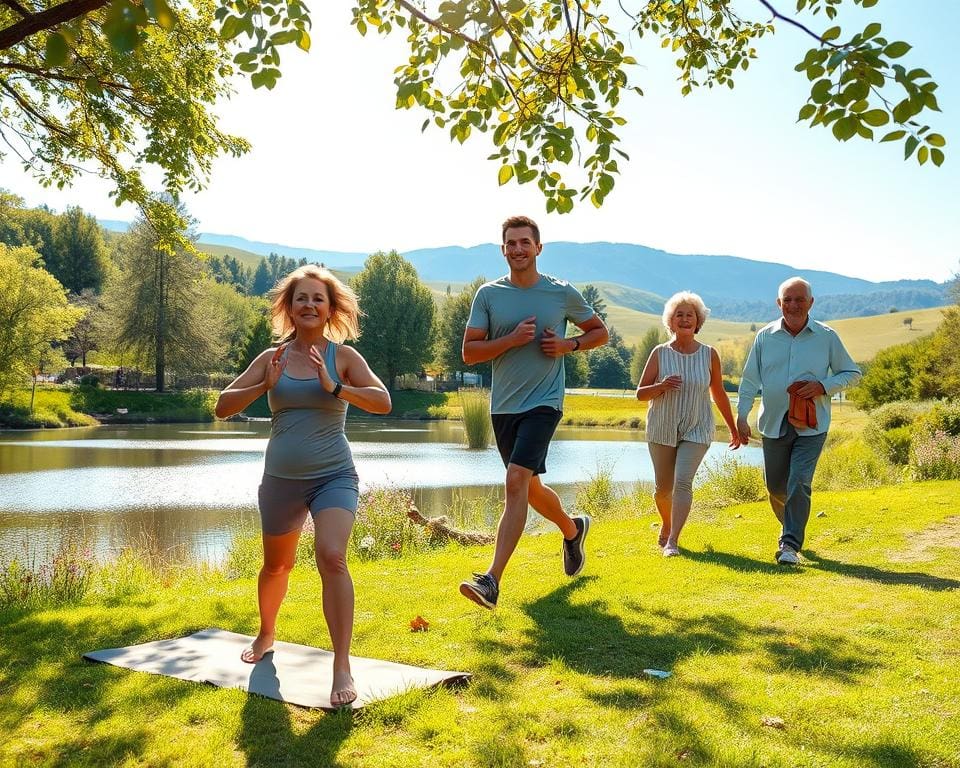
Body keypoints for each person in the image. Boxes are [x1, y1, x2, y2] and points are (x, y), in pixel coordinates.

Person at [215, 265, 391, 707]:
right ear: (289, 309)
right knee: (277, 567)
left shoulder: (344, 358)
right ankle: (267, 632)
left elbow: (383, 402)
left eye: (318, 298)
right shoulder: (270, 358)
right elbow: (221, 407)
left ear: (331, 309)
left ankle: (342, 665)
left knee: (332, 556)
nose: (309, 305)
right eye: (301, 299)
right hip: (280, 481)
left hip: (333, 475)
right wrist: (263, 385)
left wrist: (335, 388)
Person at [458, 215, 609, 609]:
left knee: (515, 480)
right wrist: (509, 340)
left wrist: (568, 346)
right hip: (504, 406)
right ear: (503, 248)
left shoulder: (559, 293)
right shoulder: (489, 295)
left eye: (525, 242)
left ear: (538, 248)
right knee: (529, 487)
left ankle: (491, 581)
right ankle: (572, 529)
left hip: (544, 402)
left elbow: (599, 332)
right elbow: (470, 352)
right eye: (511, 243)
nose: (518, 249)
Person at [737, 277, 861, 565]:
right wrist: (742, 415)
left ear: (811, 302)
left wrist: (822, 386)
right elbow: (749, 380)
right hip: (773, 422)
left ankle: (790, 543)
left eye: (799, 299)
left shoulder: (827, 336)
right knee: (775, 487)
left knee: (800, 482)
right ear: (779, 303)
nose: (793, 305)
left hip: (813, 425)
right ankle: (789, 527)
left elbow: (851, 372)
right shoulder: (764, 337)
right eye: (787, 300)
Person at [635, 292, 742, 556]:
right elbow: (640, 393)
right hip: (662, 427)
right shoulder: (659, 353)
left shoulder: (709, 354)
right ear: (670, 322)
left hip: (698, 426)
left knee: (683, 482)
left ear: (698, 321)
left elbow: (718, 393)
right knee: (663, 490)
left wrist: (732, 427)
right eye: (679, 315)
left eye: (690, 315)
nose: (684, 319)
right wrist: (661, 386)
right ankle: (667, 522)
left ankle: (673, 540)